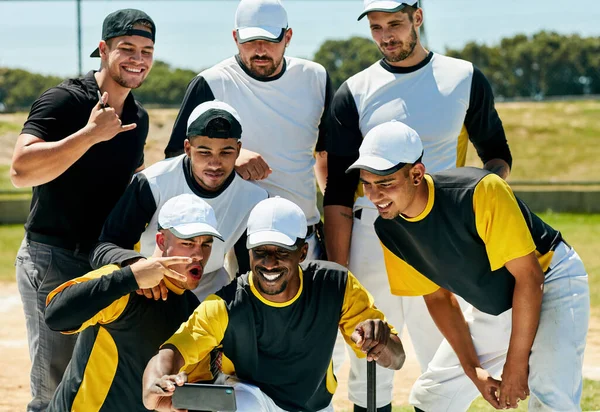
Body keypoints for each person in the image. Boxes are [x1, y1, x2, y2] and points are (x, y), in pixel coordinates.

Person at [323, 1, 513, 410]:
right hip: (374, 233)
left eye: (394, 23)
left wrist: (476, 219)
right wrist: (340, 274)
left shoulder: (462, 77)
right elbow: (337, 195)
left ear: (418, 18)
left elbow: (496, 157)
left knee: (442, 353)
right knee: (370, 353)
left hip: (444, 235)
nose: (386, 35)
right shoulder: (353, 91)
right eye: (376, 27)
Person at [348, 120, 590, 412]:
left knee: (551, 397)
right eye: (367, 184)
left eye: (385, 183)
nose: (374, 196)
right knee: (431, 398)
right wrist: (474, 371)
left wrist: (515, 364)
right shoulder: (389, 230)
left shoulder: (479, 191)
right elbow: (438, 297)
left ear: (416, 174)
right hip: (497, 300)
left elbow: (530, 277)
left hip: (552, 279)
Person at [10, 9, 156, 411]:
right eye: (126, 48)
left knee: (95, 375)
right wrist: (90, 135)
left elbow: (135, 182)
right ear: (103, 49)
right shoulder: (65, 100)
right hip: (53, 257)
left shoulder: (138, 118)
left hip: (102, 262)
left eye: (146, 50)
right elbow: (21, 170)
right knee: (53, 385)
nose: (137, 59)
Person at [141, 197, 406, 412]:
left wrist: (382, 341)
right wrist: (156, 381)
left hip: (314, 405)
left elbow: (396, 359)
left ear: (302, 252)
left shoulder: (336, 285)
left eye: (281, 252)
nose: (269, 263)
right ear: (248, 251)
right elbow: (173, 351)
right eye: (260, 251)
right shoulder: (226, 304)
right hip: (251, 399)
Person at [163, 0, 332, 260]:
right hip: (241, 243)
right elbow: (175, 159)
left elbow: (326, 156)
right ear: (235, 37)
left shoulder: (316, 78)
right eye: (250, 41)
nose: (260, 50)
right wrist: (228, 158)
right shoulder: (211, 83)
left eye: (270, 41)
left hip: (306, 239)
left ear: (288, 37)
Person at [44, 195, 223, 411]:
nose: (199, 255)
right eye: (188, 243)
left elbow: (195, 393)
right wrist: (130, 278)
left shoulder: (196, 313)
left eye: (206, 244)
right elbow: (56, 316)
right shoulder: (122, 282)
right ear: (161, 241)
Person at [91, 101, 268, 301]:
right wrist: (136, 264)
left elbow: (249, 269)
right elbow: (104, 247)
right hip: (153, 288)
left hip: (210, 295)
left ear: (238, 149)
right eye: (204, 152)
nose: (215, 163)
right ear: (187, 148)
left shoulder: (255, 199)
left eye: (226, 152)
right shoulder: (153, 182)